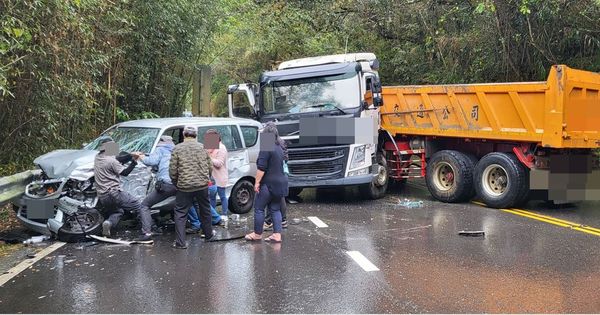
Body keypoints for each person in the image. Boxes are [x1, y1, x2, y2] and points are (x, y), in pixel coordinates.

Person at [94, 137, 153, 241]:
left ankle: (109, 223)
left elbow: (118, 158)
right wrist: (134, 161)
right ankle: (148, 231)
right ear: (109, 148)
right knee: (140, 206)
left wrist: (130, 155)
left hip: (102, 196)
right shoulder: (111, 161)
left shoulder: (97, 157)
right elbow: (125, 172)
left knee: (118, 211)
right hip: (114, 194)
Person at [169, 126, 215, 249]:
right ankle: (209, 235)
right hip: (202, 185)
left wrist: (176, 182)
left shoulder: (177, 148)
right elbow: (210, 167)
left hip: (184, 186)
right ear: (196, 135)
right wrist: (206, 179)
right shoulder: (202, 147)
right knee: (205, 210)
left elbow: (173, 170)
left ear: (184, 135)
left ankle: (181, 243)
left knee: (180, 213)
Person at [245, 122, 288, 243]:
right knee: (275, 209)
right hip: (281, 183)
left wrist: (257, 183)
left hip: (268, 184)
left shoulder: (266, 147)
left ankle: (257, 234)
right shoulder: (280, 147)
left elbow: (261, 168)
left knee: (259, 208)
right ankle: (277, 235)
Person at [133, 135, 176, 232]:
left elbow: (152, 161)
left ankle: (147, 233)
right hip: (180, 184)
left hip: (167, 184)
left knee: (144, 205)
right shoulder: (176, 150)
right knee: (183, 206)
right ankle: (195, 228)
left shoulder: (161, 149)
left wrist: (140, 156)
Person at [264, 138, 289, 230]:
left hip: (272, 174)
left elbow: (264, 160)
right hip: (282, 173)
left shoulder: (267, 140)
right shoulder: (281, 141)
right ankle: (283, 221)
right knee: (280, 197)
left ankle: (268, 221)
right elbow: (286, 158)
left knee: (269, 197)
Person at [204, 129, 229, 221]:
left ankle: (224, 214)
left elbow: (219, 163)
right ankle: (213, 214)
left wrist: (208, 157)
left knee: (222, 195)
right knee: (212, 197)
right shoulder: (209, 147)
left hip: (220, 176)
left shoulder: (221, 148)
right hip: (211, 177)